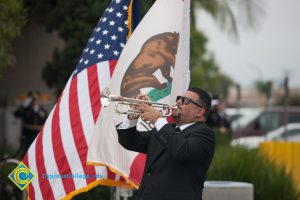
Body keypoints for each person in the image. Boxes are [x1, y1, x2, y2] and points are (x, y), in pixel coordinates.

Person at [117, 87, 215, 200]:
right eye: (179, 98)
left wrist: (158, 120)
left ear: (199, 112)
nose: (178, 102)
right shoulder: (165, 130)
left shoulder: (205, 134)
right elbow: (130, 142)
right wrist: (132, 118)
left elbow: (181, 150)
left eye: (185, 100)